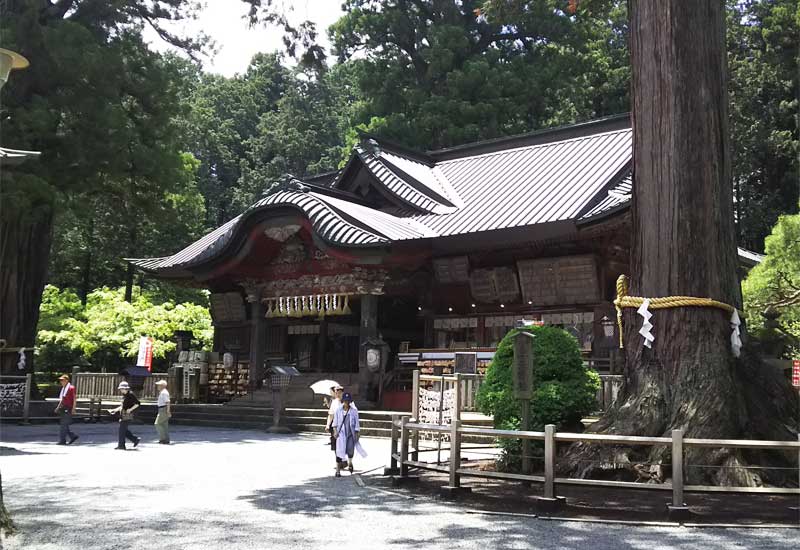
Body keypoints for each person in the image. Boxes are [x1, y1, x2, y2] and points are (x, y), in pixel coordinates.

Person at [333, 392, 360, 477]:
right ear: (342, 401)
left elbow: (357, 424)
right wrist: (335, 432)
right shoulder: (338, 410)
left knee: (350, 451)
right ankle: (337, 471)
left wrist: (357, 434)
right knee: (339, 452)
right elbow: (335, 423)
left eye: (348, 401)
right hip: (341, 434)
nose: (346, 403)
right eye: (345, 401)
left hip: (350, 434)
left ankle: (350, 462)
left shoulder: (354, 411)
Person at [107, 381, 141, 450]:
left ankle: (121, 445)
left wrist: (130, 409)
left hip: (127, 415)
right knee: (124, 430)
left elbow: (138, 403)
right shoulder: (124, 396)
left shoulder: (131, 394)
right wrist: (114, 410)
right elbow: (122, 406)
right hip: (123, 414)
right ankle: (135, 439)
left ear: (126, 388)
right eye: (121, 389)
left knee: (121, 431)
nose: (121, 390)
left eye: (122, 388)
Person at [54, 374, 79, 445]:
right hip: (63, 407)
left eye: (63, 380)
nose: (61, 382)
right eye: (61, 380)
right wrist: (58, 407)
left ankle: (62, 440)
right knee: (64, 424)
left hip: (68, 407)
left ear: (67, 380)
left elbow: (74, 399)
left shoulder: (71, 388)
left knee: (63, 425)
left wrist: (74, 408)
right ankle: (73, 436)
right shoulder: (63, 389)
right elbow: (62, 399)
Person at [325, 385, 343, 453]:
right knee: (335, 444)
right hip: (335, 425)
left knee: (343, 443)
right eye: (336, 392)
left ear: (342, 393)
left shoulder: (348, 402)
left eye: (339, 392)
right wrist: (327, 425)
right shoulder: (334, 402)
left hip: (344, 425)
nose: (337, 394)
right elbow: (331, 415)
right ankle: (338, 461)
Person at [154, 379, 171, 444]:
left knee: (157, 424)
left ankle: (163, 439)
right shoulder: (163, 392)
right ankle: (166, 439)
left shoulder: (164, 392)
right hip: (163, 409)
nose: (157, 386)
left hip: (163, 409)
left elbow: (168, 402)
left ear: (162, 386)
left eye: (159, 385)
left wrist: (168, 411)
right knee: (164, 425)